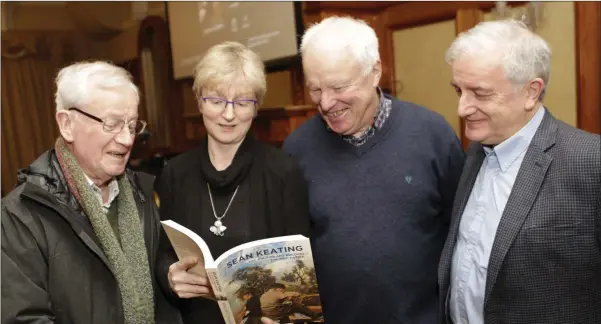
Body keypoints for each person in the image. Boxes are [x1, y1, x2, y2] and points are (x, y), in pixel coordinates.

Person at [282, 16, 466, 324]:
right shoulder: (296, 150)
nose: (326, 103)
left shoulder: (433, 134)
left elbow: (462, 237)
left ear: (375, 71)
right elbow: (292, 254)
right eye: (315, 89)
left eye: (339, 86)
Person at [438, 19, 601, 324]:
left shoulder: (591, 161)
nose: (462, 108)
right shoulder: (475, 152)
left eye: (480, 93)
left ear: (531, 92)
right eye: (458, 90)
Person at [1, 61, 181, 324]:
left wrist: (168, 275)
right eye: (112, 124)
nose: (127, 139)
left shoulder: (142, 194)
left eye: (132, 125)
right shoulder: (19, 216)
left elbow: (150, 274)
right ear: (67, 125)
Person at [154, 41, 311, 324]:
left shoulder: (284, 172)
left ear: (257, 107)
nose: (228, 115)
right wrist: (169, 275)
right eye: (216, 101)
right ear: (199, 100)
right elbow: (162, 253)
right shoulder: (174, 174)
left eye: (241, 103)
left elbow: (302, 268)